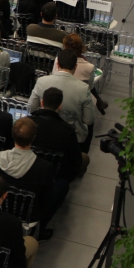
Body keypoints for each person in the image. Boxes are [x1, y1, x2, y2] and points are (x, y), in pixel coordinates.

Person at [0, 118, 54, 239]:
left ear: (13, 135)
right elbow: (47, 199)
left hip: (0, 207)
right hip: (29, 216)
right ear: (33, 137)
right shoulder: (43, 167)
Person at [30, 87, 87, 217]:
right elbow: (75, 160)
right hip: (53, 176)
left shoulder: (28, 124)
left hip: (28, 169)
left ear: (42, 102)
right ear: (59, 106)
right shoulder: (67, 131)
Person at [29, 49, 95, 153]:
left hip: (42, 134)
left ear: (58, 63)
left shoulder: (42, 81)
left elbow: (31, 108)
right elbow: (89, 120)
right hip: (72, 140)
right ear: (76, 66)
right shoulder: (83, 88)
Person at [54, 33, 107, 113]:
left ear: (65, 47)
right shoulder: (89, 67)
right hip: (78, 98)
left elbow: (54, 74)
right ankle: (99, 102)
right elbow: (90, 87)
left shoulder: (58, 60)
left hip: (58, 92)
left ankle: (99, 102)